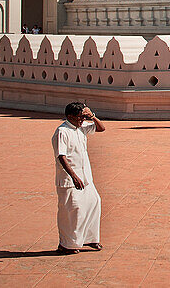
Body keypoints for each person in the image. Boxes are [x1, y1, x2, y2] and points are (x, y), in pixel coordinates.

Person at [53, 102, 105, 254]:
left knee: (93, 203)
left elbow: (101, 128)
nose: (82, 120)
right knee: (72, 210)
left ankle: (90, 239)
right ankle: (67, 244)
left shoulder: (80, 128)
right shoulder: (62, 132)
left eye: (83, 117)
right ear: (70, 117)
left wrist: (92, 116)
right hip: (70, 180)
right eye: (79, 117)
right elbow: (61, 156)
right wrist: (73, 176)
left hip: (85, 177)